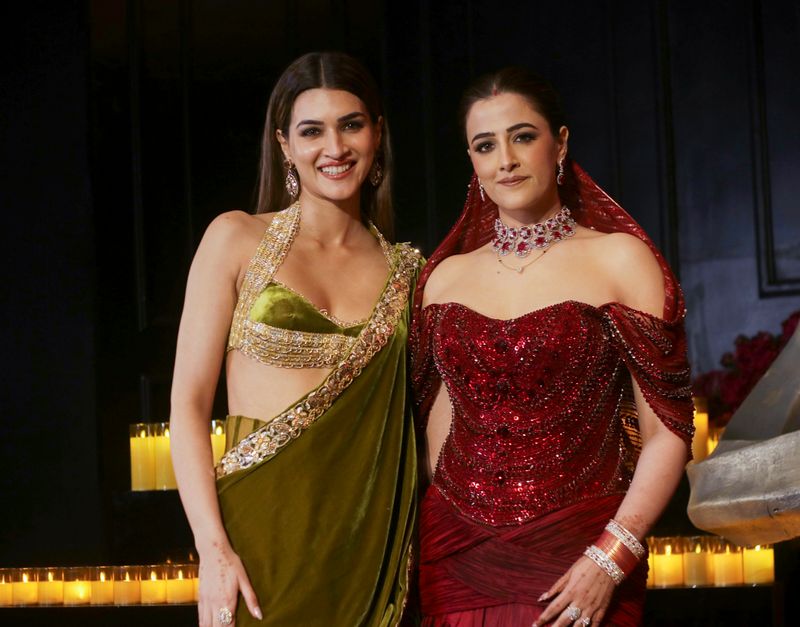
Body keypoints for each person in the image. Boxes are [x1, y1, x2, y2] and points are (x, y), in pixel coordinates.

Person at [410, 67, 694, 626]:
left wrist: (613, 554)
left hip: (583, 550)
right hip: (458, 556)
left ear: (560, 143)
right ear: (471, 161)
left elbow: (668, 431)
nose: (505, 160)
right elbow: (437, 434)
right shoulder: (443, 279)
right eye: (485, 145)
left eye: (523, 136)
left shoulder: (620, 260)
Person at [170, 51, 421, 627]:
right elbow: (187, 405)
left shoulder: (410, 272)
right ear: (284, 144)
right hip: (257, 539)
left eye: (351, 125)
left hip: (366, 544)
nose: (334, 147)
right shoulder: (235, 239)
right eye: (312, 131)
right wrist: (213, 550)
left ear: (377, 134)